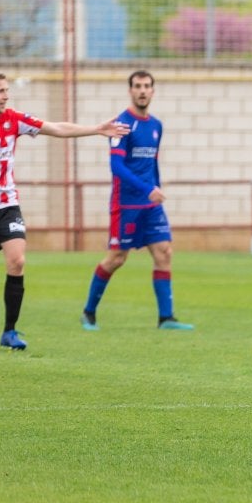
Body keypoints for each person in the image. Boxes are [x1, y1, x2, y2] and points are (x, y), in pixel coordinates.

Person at [0, 70, 129, 351]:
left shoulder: (14, 119)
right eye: (1, 91)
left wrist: (96, 129)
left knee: (17, 261)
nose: (6, 96)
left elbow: (56, 128)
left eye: (7, 90)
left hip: (7, 205)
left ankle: (10, 331)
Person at [80, 70, 193, 332]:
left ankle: (166, 319)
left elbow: (152, 164)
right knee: (117, 258)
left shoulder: (156, 125)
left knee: (164, 253)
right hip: (127, 204)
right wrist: (146, 189)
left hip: (151, 205)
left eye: (147, 86)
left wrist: (157, 190)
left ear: (153, 91)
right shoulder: (121, 124)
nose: (142, 91)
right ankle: (88, 312)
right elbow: (116, 166)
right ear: (130, 90)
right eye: (138, 86)